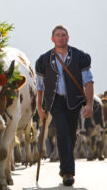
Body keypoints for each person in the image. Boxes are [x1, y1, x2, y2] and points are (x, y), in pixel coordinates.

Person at [35, 25, 94, 186]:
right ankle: (68, 172)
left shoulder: (80, 56)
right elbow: (39, 86)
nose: (61, 37)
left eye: (63, 35)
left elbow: (88, 81)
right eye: (57, 35)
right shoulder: (43, 60)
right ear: (52, 39)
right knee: (62, 131)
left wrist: (89, 103)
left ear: (68, 38)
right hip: (55, 101)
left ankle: (65, 167)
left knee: (71, 134)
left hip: (74, 99)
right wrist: (39, 108)